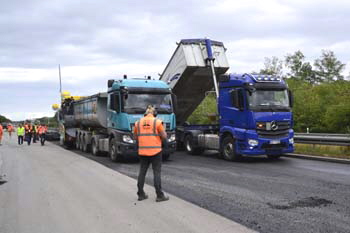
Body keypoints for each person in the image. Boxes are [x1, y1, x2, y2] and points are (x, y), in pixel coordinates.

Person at [133, 105, 169, 202]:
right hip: (156, 152)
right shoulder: (157, 122)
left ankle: (141, 194)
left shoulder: (138, 123)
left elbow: (135, 137)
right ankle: (159, 195)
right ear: (154, 114)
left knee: (142, 172)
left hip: (142, 151)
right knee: (156, 172)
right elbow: (164, 136)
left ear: (145, 114)